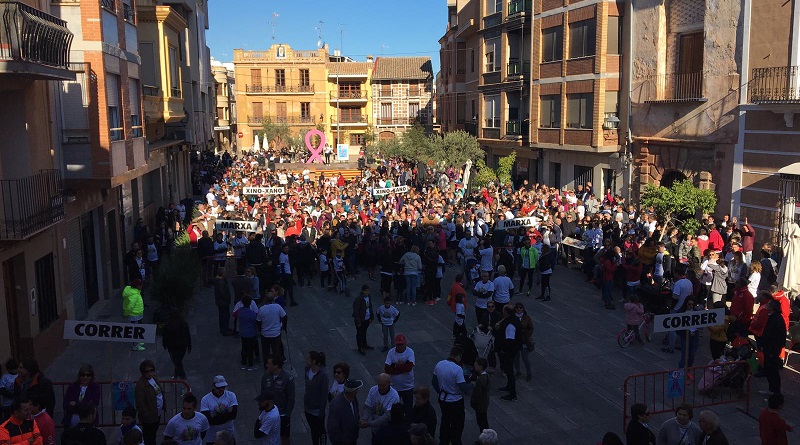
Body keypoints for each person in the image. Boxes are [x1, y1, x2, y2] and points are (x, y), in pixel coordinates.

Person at [432, 346, 472, 445]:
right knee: (457, 425)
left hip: (443, 399)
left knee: (445, 421)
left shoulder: (439, 364)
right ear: (459, 356)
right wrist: (472, 384)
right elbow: (463, 387)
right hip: (455, 401)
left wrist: (441, 392)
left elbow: (434, 382)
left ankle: (443, 442)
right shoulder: (457, 369)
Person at [260, 356, 294, 445]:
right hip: (268, 413)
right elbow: (262, 392)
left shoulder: (288, 378)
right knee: (269, 435)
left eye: (269, 363)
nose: (266, 365)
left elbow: (291, 398)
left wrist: (288, 415)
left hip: (282, 414)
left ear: (276, 366)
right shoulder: (266, 375)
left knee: (284, 436)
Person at [359, 373, 400, 442]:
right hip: (375, 429)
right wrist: (364, 419)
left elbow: (387, 416)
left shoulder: (394, 396)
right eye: (379, 385)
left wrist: (370, 424)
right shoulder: (373, 390)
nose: (381, 387)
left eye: (383, 385)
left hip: (387, 431)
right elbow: (368, 407)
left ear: (389, 384)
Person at [760, 299, 787, 397]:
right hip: (768, 347)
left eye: (769, 305)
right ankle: (771, 389)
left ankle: (776, 393)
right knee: (768, 369)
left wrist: (773, 350)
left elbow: (779, 337)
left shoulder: (777, 319)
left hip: (773, 349)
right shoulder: (772, 317)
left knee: (773, 371)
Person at [200, 376, 238, 445]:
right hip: (212, 437)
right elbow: (208, 420)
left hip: (229, 435)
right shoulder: (205, 399)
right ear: (213, 386)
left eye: (223, 387)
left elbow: (233, 415)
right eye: (218, 387)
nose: (221, 389)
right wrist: (227, 412)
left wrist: (214, 415)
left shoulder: (231, 395)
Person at [134, 359, 163, 445]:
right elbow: (140, 403)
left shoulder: (154, 378)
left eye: (152, 370)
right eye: (147, 371)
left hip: (157, 412)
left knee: (153, 434)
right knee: (149, 437)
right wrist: (148, 414)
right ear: (143, 372)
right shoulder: (140, 385)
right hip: (149, 417)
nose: (150, 373)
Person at [495, 304, 521, 401]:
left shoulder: (510, 325)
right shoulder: (513, 319)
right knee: (507, 370)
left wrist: (504, 350)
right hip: (512, 350)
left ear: (506, 312)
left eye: (503, 311)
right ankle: (508, 387)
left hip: (509, 352)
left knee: (509, 372)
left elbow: (509, 340)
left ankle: (512, 394)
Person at [384, 334, 416, 413]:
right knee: (393, 410)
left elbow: (409, 368)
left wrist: (394, 366)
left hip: (408, 386)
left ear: (405, 343)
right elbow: (387, 369)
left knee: (408, 410)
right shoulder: (391, 352)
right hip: (394, 387)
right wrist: (403, 367)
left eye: (401, 344)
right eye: (398, 344)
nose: (400, 346)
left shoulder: (410, 352)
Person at [303, 351, 330, 445]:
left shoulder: (323, 376)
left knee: (321, 431)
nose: (306, 361)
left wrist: (321, 412)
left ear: (313, 361)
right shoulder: (307, 370)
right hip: (308, 408)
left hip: (317, 410)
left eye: (308, 359)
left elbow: (324, 395)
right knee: (313, 431)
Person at [327, 379, 362, 445]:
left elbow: (356, 413)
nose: (358, 391)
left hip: (352, 438)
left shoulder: (353, 398)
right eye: (357, 390)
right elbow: (332, 429)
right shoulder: (336, 405)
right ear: (353, 392)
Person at [257, 293, 288, 364]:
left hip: (265, 334)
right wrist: (284, 326)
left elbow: (258, 321)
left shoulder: (262, 309)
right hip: (276, 333)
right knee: (276, 351)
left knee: (266, 352)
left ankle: (266, 365)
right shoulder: (277, 307)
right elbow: (285, 316)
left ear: (265, 299)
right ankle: (276, 365)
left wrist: (260, 330)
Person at [162, 309, 192, 380]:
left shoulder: (168, 325)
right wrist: (189, 347)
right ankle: (176, 376)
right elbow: (188, 335)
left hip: (172, 347)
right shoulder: (184, 323)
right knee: (178, 362)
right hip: (183, 347)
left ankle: (183, 378)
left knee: (177, 363)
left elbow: (165, 336)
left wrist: (165, 345)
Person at [234, 293, 259, 370]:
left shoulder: (240, 311)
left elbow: (234, 314)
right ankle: (251, 364)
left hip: (243, 332)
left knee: (244, 347)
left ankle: (244, 361)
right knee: (251, 348)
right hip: (251, 333)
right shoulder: (252, 313)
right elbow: (256, 321)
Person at [123, 278, 145, 351]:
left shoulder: (136, 292)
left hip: (137, 315)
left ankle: (138, 341)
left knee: (138, 329)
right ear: (137, 286)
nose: (141, 286)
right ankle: (135, 346)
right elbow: (130, 306)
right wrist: (126, 313)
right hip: (135, 316)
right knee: (135, 330)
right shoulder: (134, 295)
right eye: (140, 285)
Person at [353, 285, 376, 355]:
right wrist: (358, 321)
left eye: (368, 291)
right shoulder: (358, 299)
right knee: (359, 333)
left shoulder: (369, 297)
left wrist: (371, 317)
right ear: (363, 291)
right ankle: (360, 347)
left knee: (364, 332)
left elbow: (370, 307)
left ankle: (364, 345)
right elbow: (356, 311)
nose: (367, 292)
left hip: (367, 318)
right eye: (366, 291)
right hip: (361, 319)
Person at [470, 357, 490, 433]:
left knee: (481, 422)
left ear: (481, 367)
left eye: (476, 365)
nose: (474, 366)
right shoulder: (487, 376)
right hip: (485, 403)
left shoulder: (479, 380)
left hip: (480, 405)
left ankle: (484, 437)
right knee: (484, 421)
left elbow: (477, 394)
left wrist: (473, 402)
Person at [212, 268, 233, 335]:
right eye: (225, 272)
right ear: (223, 274)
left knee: (222, 315)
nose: (226, 273)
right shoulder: (221, 281)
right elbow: (222, 292)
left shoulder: (219, 280)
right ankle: (225, 330)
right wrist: (227, 298)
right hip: (223, 301)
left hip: (220, 301)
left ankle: (224, 328)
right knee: (225, 316)